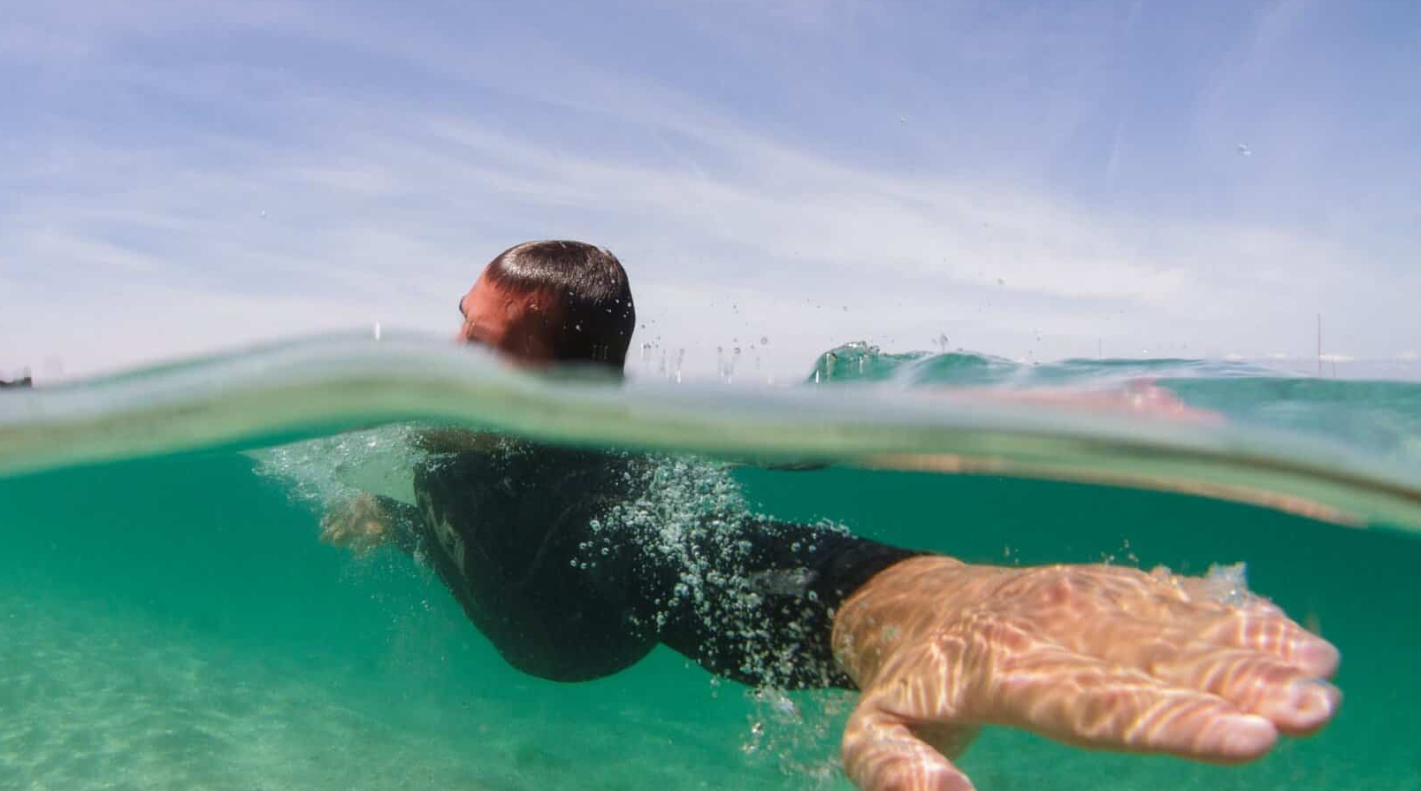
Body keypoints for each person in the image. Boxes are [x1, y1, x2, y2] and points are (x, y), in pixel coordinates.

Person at [322, 240, 1340, 791]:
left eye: (487, 344)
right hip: (519, 619)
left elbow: (757, 558)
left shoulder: (611, 498)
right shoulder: (434, 448)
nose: (448, 359)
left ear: (573, 386)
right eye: (459, 324)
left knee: (669, 559)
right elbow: (461, 540)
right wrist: (393, 521)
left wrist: (937, 605)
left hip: (601, 628)